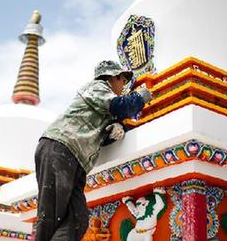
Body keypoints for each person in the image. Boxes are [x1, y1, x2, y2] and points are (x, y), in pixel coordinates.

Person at [34, 60, 152, 241]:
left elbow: (100, 132)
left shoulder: (104, 108)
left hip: (77, 159)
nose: (123, 86)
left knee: (78, 219)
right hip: (59, 147)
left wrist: (115, 128)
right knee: (50, 216)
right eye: (122, 81)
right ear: (113, 78)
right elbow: (122, 106)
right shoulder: (97, 87)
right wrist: (141, 97)